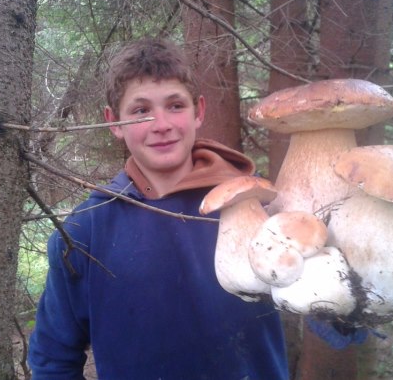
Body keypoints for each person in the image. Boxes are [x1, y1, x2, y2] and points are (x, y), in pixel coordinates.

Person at [27, 38, 290, 380]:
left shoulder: (259, 204)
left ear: (199, 112)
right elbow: (52, 360)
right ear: (114, 122)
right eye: (141, 111)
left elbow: (326, 308)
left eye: (175, 105)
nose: (161, 124)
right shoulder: (85, 232)